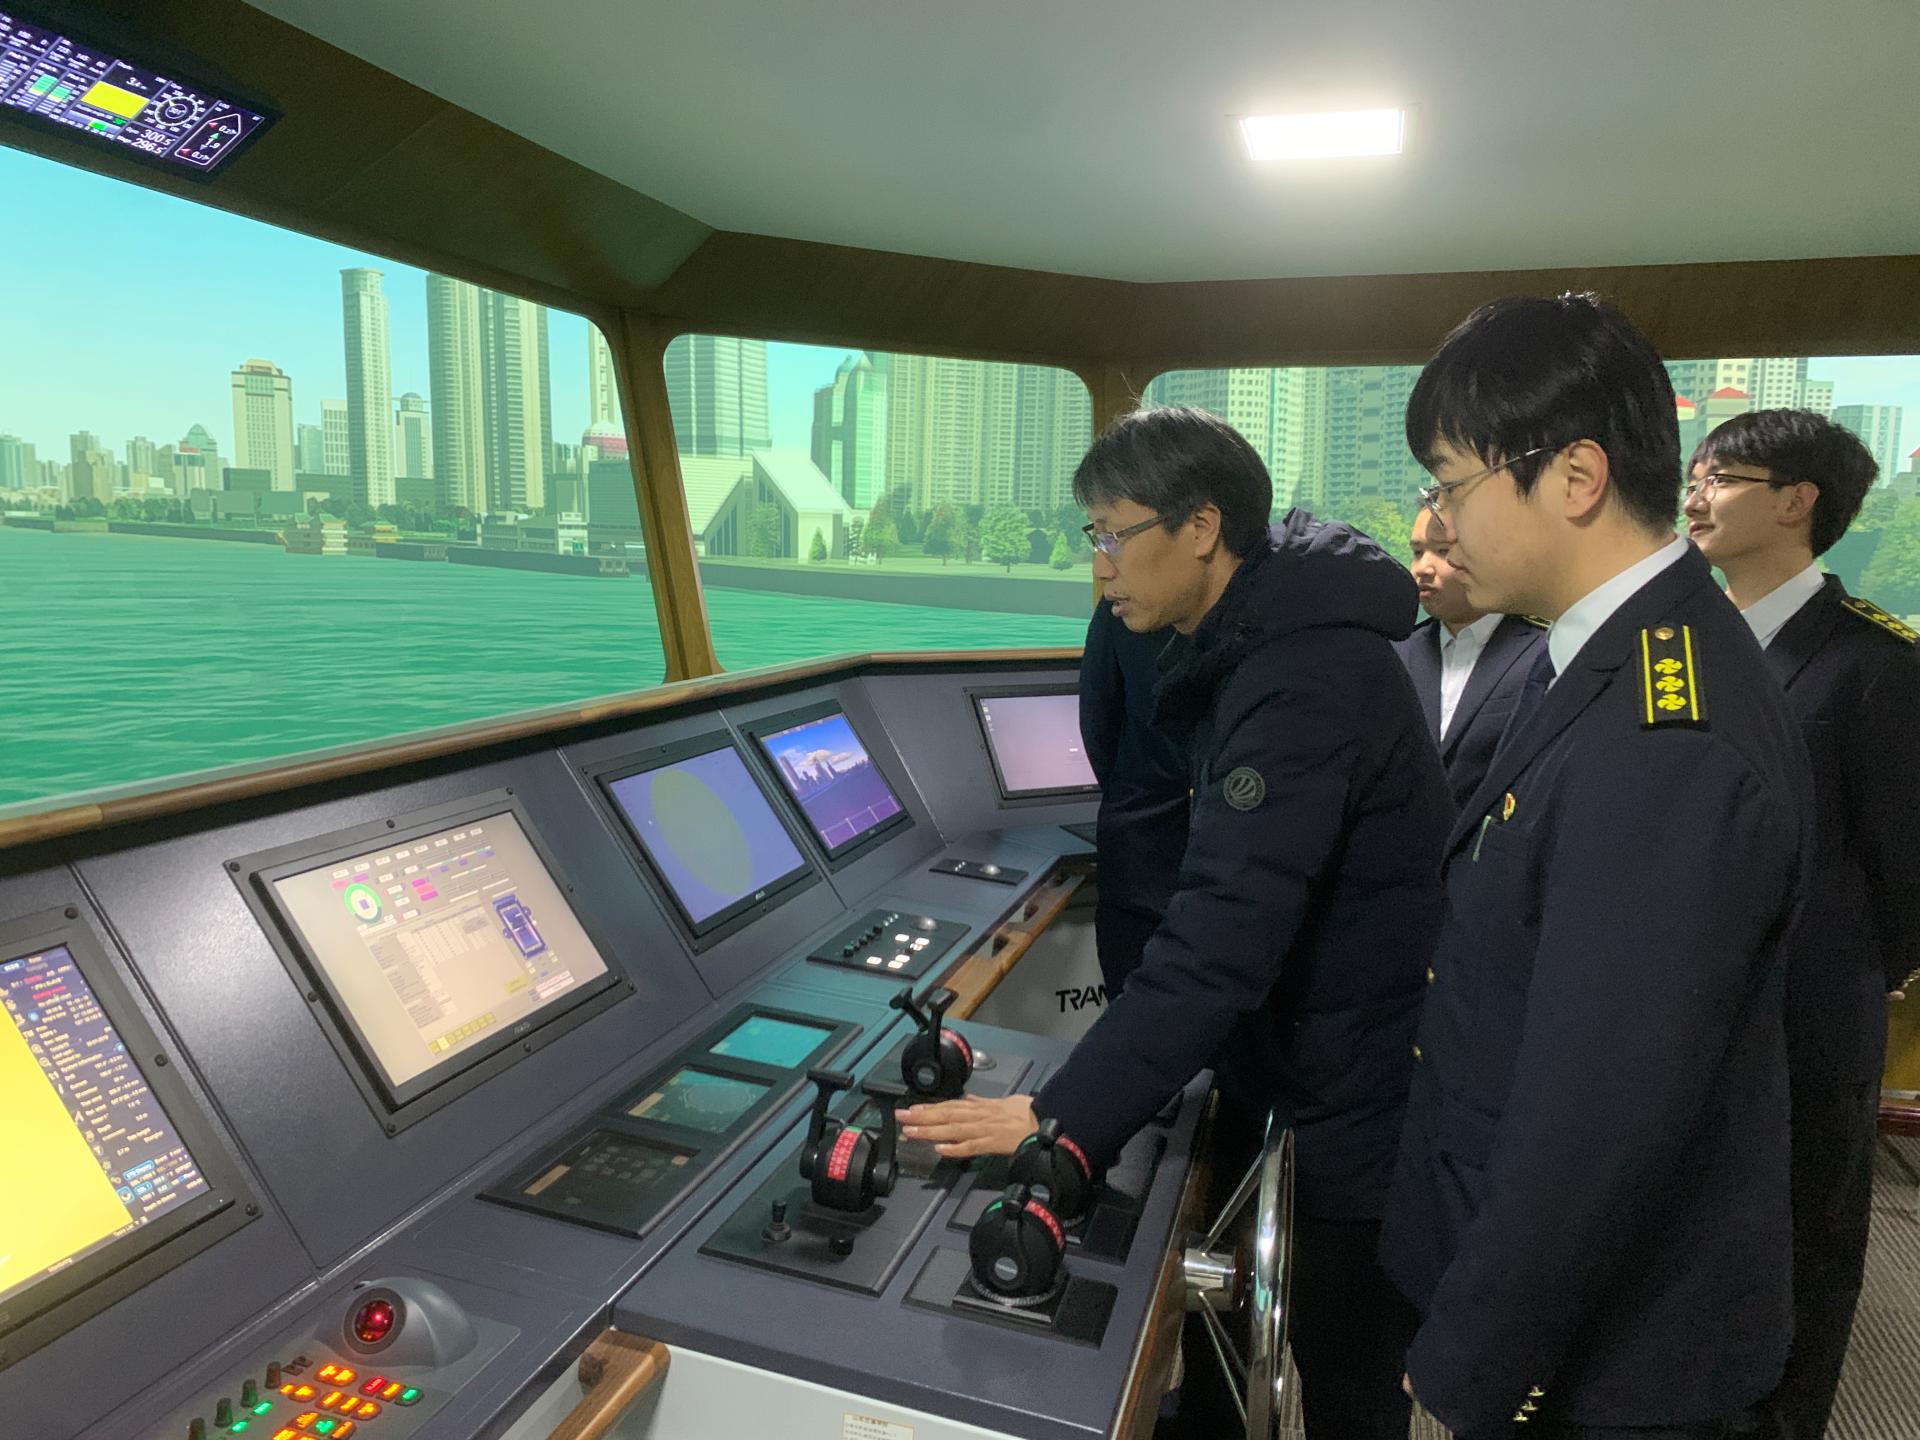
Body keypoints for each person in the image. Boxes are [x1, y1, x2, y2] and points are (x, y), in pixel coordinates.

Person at [902, 404, 1452, 1440]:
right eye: (1092, 536)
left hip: (1350, 1079)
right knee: (1215, 1344)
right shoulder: (1248, 644)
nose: (1100, 565)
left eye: (1114, 535)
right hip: (1287, 1047)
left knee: (1346, 1368)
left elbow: (1220, 941)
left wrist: (1062, 1121)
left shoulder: (1302, 680)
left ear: (1201, 529)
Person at [1379, 293, 1814, 1440]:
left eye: (1451, 483)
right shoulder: (1588, 657)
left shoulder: (1671, 734)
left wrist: (1473, 1356)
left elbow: (1603, 1112)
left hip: (1614, 1354)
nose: (1437, 521)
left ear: (1574, 477)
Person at [1684, 408, 1920, 1440]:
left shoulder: (1875, 664)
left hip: (1807, 1022)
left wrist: (1845, 971)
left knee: (1804, 1256)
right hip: (1684, 1009)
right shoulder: (1682, 644)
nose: (1695, 495)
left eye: (1721, 477)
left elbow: (1907, 870)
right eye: (1695, 474)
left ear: (1797, 501)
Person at [1395, 506, 1549, 811]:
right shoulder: (1397, 653)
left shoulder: (1543, 652)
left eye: (1443, 551)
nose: (1423, 568)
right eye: (1417, 552)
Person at [1077, 598, 1188, 997]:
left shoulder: (1123, 607)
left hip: (1141, 859)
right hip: (1148, 873)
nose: (1103, 570)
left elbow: (1099, 724)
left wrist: (1139, 797)